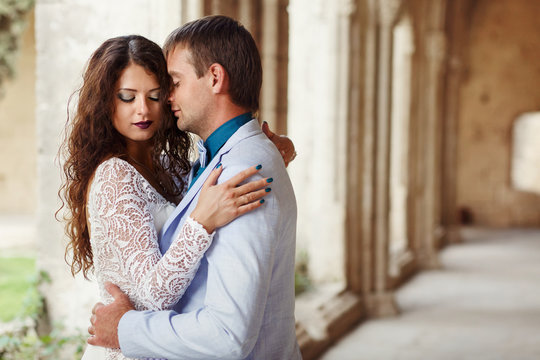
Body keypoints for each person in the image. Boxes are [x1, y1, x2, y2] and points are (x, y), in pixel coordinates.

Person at [59, 34, 293, 360]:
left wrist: (268, 146)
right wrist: (201, 225)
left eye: (156, 95)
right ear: (105, 102)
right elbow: (152, 297)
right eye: (127, 97)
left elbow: (208, 161)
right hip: (127, 349)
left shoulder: (167, 165)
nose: (143, 109)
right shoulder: (114, 175)